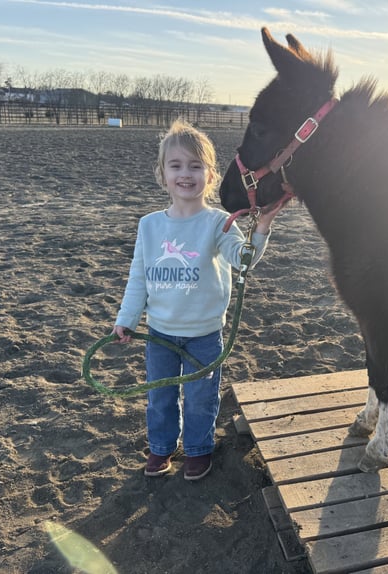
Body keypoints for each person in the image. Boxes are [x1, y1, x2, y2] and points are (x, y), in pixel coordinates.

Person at [112, 119, 282, 480]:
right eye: (176, 166)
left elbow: (243, 261)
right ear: (162, 174)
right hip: (159, 332)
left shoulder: (219, 222)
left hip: (204, 335)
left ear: (211, 175)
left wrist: (263, 226)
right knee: (160, 398)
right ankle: (161, 448)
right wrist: (127, 318)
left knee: (201, 399)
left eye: (195, 166)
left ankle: (199, 449)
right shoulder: (149, 225)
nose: (185, 174)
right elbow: (138, 277)